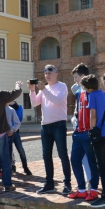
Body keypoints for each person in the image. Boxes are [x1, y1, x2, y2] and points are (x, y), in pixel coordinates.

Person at [29, 64, 72, 195]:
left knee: (62, 154)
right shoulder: (44, 88)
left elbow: (58, 101)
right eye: (45, 73)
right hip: (45, 125)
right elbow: (35, 103)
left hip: (58, 124)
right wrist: (32, 90)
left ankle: (67, 183)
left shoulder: (62, 86)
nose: (47, 75)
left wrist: (43, 90)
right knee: (46, 156)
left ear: (56, 73)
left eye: (50, 72)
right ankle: (49, 184)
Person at [81, 74, 105, 208]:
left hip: (100, 136)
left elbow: (93, 116)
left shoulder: (92, 96)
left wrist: (92, 130)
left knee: (101, 166)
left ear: (88, 88)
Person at [68, 66, 100, 202]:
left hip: (88, 132)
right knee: (75, 160)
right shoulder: (78, 93)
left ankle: (93, 189)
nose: (75, 80)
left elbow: (96, 114)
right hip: (78, 131)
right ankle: (81, 189)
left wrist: (93, 131)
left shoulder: (93, 93)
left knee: (92, 162)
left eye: (76, 77)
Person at [9, 101, 31, 175]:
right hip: (8, 132)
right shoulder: (5, 107)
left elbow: (19, 119)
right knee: (10, 152)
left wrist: (13, 127)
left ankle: (25, 167)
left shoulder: (18, 107)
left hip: (16, 132)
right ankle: (12, 166)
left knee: (21, 150)